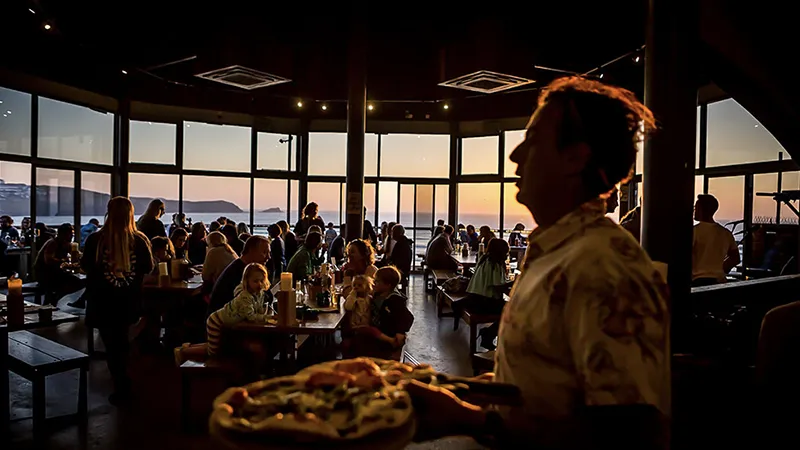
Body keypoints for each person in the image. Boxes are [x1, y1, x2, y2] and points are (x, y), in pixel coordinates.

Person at [408, 77, 669, 448]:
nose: (515, 156)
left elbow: (629, 432)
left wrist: (474, 420)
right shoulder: (556, 251)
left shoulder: (604, 266)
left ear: (574, 158)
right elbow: (548, 386)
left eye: (531, 140)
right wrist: (459, 389)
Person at [81, 197, 153, 405]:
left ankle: (121, 385)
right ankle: (126, 383)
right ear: (131, 214)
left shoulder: (96, 240)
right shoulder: (139, 240)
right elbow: (148, 267)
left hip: (102, 302)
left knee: (112, 345)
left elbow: (86, 266)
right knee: (122, 342)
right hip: (128, 302)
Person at [345, 266, 413, 360]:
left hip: (387, 331)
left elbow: (408, 317)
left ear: (387, 285)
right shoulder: (378, 294)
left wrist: (400, 331)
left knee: (364, 332)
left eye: (377, 281)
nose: (374, 283)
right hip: (377, 326)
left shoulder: (395, 300)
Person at [206, 263, 270, 356]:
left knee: (217, 346)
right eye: (255, 281)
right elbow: (251, 317)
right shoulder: (245, 297)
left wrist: (264, 311)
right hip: (216, 321)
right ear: (247, 281)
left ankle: (186, 348)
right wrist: (267, 318)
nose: (259, 284)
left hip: (228, 323)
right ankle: (183, 352)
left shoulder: (259, 294)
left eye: (261, 280)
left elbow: (259, 309)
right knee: (213, 352)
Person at [462, 238, 511, 350]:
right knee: (514, 311)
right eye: (506, 252)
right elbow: (498, 287)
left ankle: (489, 333)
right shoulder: (495, 264)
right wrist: (515, 282)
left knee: (509, 308)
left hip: (474, 299)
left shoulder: (484, 259)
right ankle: (489, 333)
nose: (507, 255)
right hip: (484, 302)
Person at [208, 235, 271, 316]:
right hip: (222, 323)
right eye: (264, 252)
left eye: (269, 253)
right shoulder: (241, 272)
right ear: (251, 251)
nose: (269, 257)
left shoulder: (246, 268)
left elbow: (266, 296)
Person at [692, 194, 740, 286]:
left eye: (696, 207)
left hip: (697, 281)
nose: (694, 211)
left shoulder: (694, 232)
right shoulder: (725, 233)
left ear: (702, 210)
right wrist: (721, 270)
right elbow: (735, 258)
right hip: (719, 281)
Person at [33, 223, 84, 305]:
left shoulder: (66, 244)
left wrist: (79, 257)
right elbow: (48, 261)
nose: (71, 236)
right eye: (70, 234)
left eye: (72, 234)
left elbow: (77, 255)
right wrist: (64, 261)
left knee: (79, 282)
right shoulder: (52, 243)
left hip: (55, 272)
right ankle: (54, 298)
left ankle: (55, 297)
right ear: (63, 234)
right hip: (44, 273)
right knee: (77, 282)